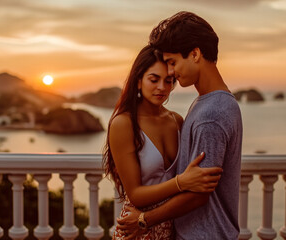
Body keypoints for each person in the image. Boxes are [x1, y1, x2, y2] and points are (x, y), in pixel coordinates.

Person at [117, 11, 243, 240]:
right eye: (155, 78)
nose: (171, 73)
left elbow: (198, 194)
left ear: (195, 54)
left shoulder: (210, 114)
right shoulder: (209, 103)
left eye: (172, 63)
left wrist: (145, 220)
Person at [102, 45, 223, 239]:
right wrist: (180, 182)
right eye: (154, 79)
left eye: (169, 81)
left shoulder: (177, 121)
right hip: (137, 228)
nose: (162, 88)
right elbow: (135, 194)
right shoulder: (124, 123)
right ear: (138, 81)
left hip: (171, 226)